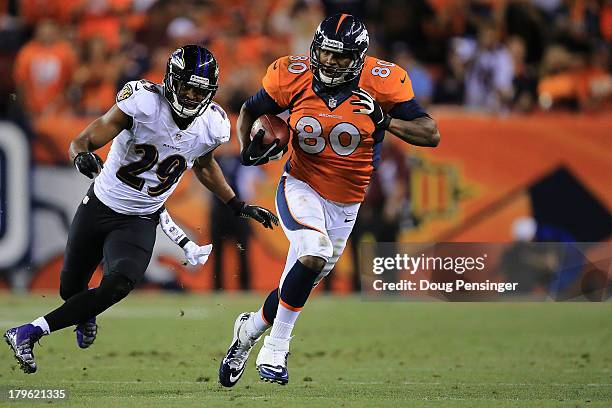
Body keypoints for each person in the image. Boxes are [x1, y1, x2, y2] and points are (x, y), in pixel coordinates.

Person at [4, 45, 278, 374]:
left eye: (199, 90)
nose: (191, 96)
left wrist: (238, 204)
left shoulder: (212, 124)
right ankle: (84, 310)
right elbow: (84, 139)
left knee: (119, 283)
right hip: (101, 205)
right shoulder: (143, 102)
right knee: (70, 291)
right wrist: (81, 155)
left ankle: (28, 333)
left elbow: (205, 166)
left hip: (141, 218)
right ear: (170, 81)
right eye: (186, 86)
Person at [219, 14, 439, 387]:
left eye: (341, 57)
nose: (331, 62)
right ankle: (276, 348)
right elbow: (251, 110)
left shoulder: (383, 81)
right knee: (314, 251)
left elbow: (430, 133)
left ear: (360, 57)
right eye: (326, 53)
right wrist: (247, 150)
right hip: (301, 185)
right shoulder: (293, 74)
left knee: (300, 278)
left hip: (348, 202)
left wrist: (385, 122)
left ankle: (248, 331)